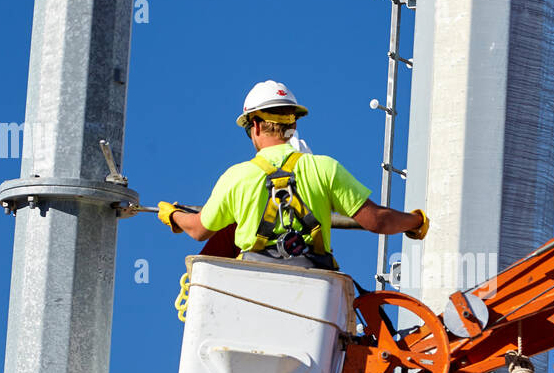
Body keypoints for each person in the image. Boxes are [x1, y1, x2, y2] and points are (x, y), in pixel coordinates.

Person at [157, 80, 427, 270]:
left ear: (256, 125)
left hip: (249, 287)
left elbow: (198, 229)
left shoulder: (236, 178)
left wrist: (173, 215)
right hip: (315, 287)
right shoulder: (324, 168)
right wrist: (415, 221)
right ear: (293, 124)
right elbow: (377, 221)